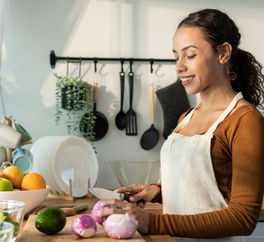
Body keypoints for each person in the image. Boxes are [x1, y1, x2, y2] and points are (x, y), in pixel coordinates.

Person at [99, 9, 264, 240]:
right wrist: (157, 191)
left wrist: (152, 222)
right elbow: (197, 188)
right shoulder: (186, 117)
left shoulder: (245, 120)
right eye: (176, 56)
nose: (179, 66)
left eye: (191, 55)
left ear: (223, 53)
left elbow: (243, 217)